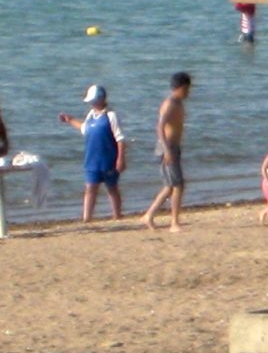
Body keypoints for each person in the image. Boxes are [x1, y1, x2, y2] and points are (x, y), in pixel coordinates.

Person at [58, 84, 126, 222]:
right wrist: (69, 120)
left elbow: (120, 139)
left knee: (112, 188)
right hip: (92, 160)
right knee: (90, 188)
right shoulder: (91, 116)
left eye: (94, 100)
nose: (92, 103)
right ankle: (87, 218)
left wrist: (120, 159)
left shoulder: (110, 115)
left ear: (101, 99)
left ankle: (117, 215)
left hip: (108, 160)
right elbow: (84, 128)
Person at [141, 71, 193, 232]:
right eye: (187, 88)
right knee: (178, 185)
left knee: (170, 186)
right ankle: (174, 223)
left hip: (173, 147)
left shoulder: (178, 103)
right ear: (182, 87)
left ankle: (149, 215)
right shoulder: (170, 103)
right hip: (167, 148)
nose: (189, 92)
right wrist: (167, 150)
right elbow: (160, 126)